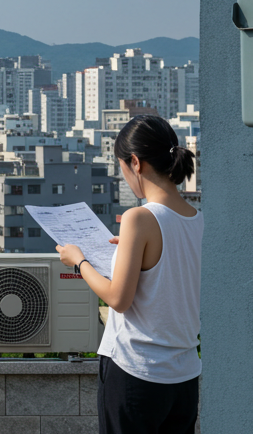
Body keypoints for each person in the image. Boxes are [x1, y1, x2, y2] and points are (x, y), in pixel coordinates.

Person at [56, 114, 201, 434]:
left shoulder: (139, 217)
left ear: (135, 162)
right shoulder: (196, 218)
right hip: (184, 375)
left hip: (136, 371)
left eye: (122, 167)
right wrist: (132, 249)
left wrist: (79, 261)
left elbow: (118, 299)